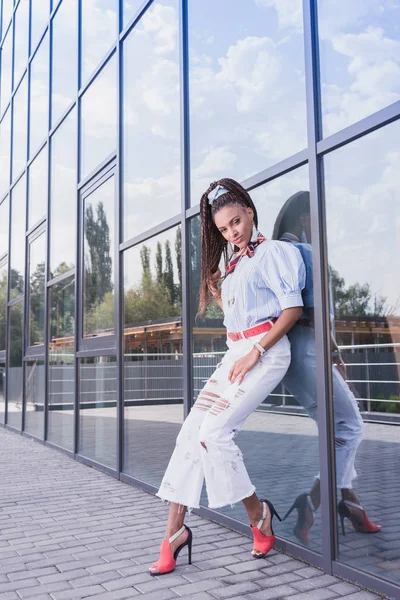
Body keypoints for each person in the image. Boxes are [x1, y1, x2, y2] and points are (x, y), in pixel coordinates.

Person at [148, 178, 306, 576]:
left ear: (250, 213)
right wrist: (222, 296)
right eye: (224, 229)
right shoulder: (233, 265)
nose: (233, 232)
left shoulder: (274, 253)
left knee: (214, 434)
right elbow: (241, 316)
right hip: (235, 353)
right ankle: (173, 534)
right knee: (190, 435)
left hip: (264, 354)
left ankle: (259, 515)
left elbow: (292, 310)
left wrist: (257, 351)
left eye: (236, 222)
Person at [272, 191, 381, 544]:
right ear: (305, 221)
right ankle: (313, 502)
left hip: (293, 354)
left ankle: (351, 502)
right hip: (308, 350)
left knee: (335, 433)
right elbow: (314, 311)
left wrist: (331, 353)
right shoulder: (304, 252)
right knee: (350, 426)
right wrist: (332, 352)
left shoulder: (277, 253)